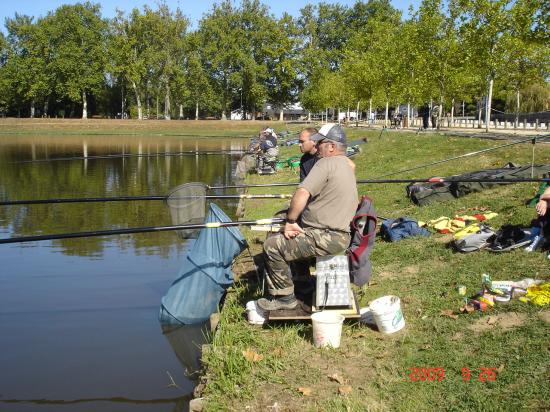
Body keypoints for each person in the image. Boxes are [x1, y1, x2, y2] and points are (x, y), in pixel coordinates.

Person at [257, 123, 358, 311]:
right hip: (337, 234)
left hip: (327, 236)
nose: (317, 147)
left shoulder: (325, 163)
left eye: (320, 143)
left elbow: (302, 192)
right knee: (295, 236)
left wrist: (291, 221)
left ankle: (284, 298)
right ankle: (302, 282)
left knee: (272, 246)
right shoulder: (347, 164)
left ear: (331, 146)